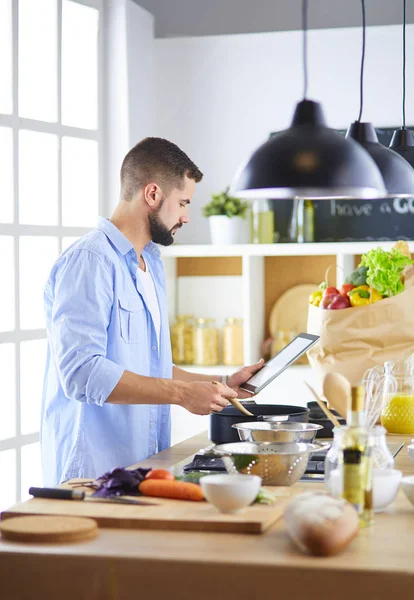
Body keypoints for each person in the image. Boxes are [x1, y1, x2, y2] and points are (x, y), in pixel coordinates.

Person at [40, 137, 263, 485]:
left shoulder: (151, 262)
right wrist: (183, 395)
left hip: (140, 469)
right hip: (91, 476)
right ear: (153, 194)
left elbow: (150, 367)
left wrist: (218, 384)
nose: (187, 217)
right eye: (184, 202)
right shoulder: (90, 261)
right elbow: (82, 373)